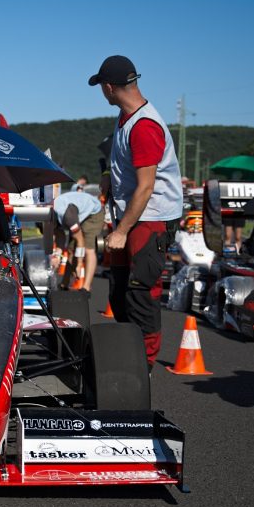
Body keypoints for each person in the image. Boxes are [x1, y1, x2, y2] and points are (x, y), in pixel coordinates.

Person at [89, 55, 183, 371]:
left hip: (150, 217)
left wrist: (120, 230)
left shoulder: (144, 125)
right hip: (131, 216)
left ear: (110, 87)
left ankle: (143, 365)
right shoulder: (125, 118)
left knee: (141, 291)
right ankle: (127, 352)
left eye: (102, 86)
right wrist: (108, 179)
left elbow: (145, 188)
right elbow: (127, 172)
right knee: (118, 290)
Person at [52, 190, 104, 292]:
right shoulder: (50, 216)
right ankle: (64, 283)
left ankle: (86, 287)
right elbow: (60, 237)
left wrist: (79, 264)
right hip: (77, 212)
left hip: (93, 213)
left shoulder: (67, 216)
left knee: (88, 249)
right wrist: (57, 256)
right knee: (71, 250)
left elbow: (80, 240)